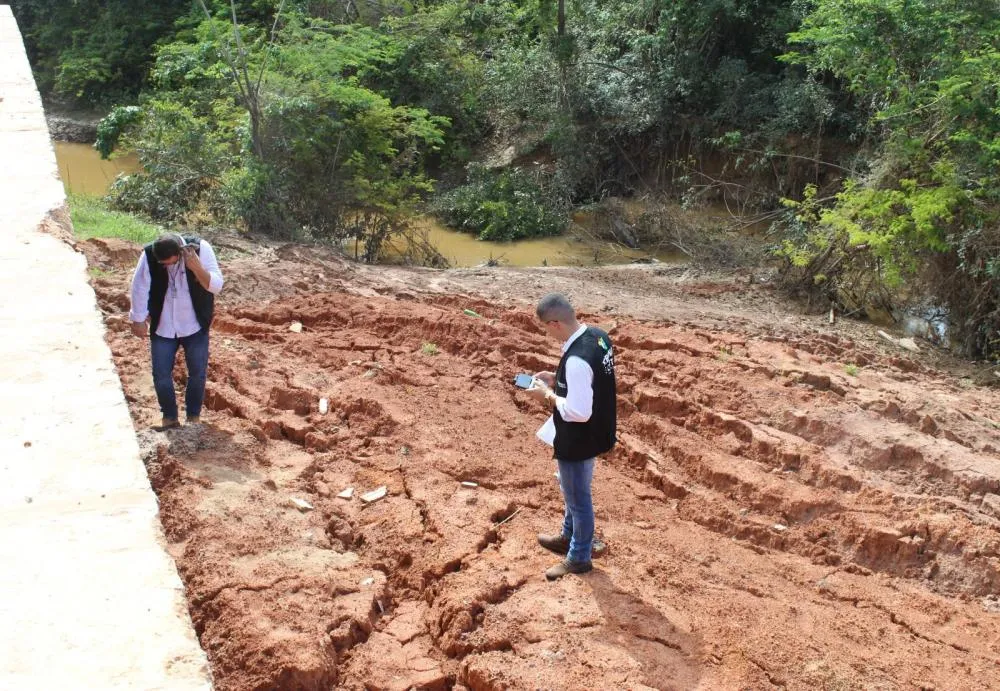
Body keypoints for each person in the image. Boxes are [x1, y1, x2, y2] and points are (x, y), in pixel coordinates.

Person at [526, 293, 617, 580]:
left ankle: (579, 557)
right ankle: (568, 536)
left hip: (579, 438)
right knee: (573, 491)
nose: (546, 334)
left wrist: (547, 394)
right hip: (597, 430)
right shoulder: (598, 336)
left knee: (578, 498)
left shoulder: (576, 359)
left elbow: (578, 411)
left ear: (554, 323)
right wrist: (557, 379)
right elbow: (591, 382)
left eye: (545, 328)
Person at [129, 233, 224, 430]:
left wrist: (196, 267)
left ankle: (193, 417)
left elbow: (216, 286)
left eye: (170, 263)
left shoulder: (201, 248)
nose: (166, 267)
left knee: (197, 373)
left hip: (194, 323)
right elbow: (139, 286)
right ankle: (170, 417)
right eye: (163, 265)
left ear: (179, 254)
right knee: (161, 373)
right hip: (163, 324)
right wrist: (138, 319)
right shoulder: (148, 254)